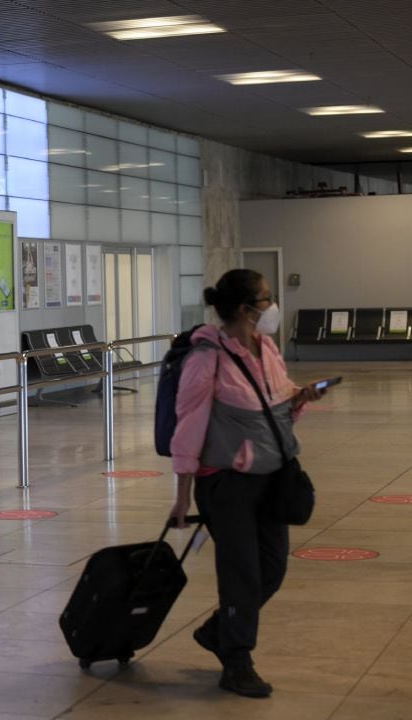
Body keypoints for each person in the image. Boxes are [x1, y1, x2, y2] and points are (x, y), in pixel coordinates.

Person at [169, 269, 324, 699]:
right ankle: (237, 660)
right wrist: (181, 496)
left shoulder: (268, 347)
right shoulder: (207, 357)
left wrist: (300, 397)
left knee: (272, 569)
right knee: (241, 575)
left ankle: (218, 630)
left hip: (272, 477)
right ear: (244, 309)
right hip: (226, 483)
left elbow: (274, 400)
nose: (271, 304)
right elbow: (188, 426)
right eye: (265, 298)